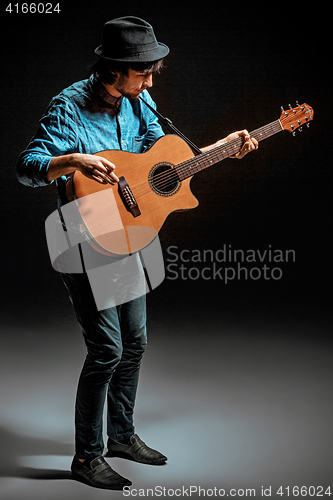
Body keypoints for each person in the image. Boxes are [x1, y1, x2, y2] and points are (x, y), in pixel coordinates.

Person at [16, 16, 258, 490]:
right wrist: (73, 160)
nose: (151, 81)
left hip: (131, 231)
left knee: (136, 343)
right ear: (114, 68)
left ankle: (121, 437)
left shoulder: (139, 101)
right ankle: (86, 459)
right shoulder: (69, 106)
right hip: (84, 232)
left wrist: (223, 149)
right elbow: (27, 167)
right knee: (107, 349)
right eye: (143, 72)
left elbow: (165, 164)